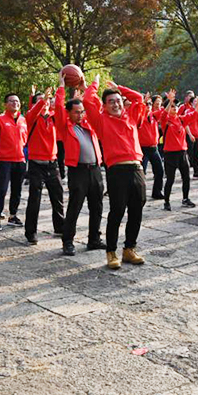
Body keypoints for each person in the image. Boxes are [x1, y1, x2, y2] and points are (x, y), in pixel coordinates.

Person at [83, 76, 148, 270]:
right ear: (104, 105)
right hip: (117, 170)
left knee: (137, 209)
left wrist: (119, 87)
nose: (116, 104)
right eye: (111, 101)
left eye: (118, 101)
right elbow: (87, 100)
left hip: (136, 167)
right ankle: (111, 251)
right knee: (117, 211)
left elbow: (138, 99)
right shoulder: (101, 120)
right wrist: (95, 83)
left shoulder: (131, 116)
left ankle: (129, 249)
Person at [55, 75, 105, 255]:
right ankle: (67, 241)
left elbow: (96, 104)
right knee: (75, 207)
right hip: (78, 171)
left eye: (82, 111)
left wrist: (89, 87)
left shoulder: (88, 124)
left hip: (95, 169)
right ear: (69, 113)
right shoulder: (64, 126)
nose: (80, 114)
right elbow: (59, 108)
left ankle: (94, 239)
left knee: (97, 207)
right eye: (76, 111)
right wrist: (61, 87)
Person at [22, 86, 65, 244]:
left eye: (47, 100)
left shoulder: (54, 117)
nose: (45, 102)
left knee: (58, 196)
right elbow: (33, 111)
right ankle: (31, 232)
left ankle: (60, 227)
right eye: (40, 101)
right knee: (35, 198)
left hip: (52, 163)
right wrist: (42, 100)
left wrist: (62, 89)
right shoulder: (31, 117)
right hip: (36, 164)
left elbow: (61, 108)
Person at [0, 93, 28, 230]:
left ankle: (13, 216)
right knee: (2, 190)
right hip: (4, 160)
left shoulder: (23, 120)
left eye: (17, 101)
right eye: (11, 101)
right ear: (5, 104)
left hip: (20, 160)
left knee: (17, 191)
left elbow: (25, 140)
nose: (15, 103)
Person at [160, 90, 198, 211]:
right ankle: (166, 201)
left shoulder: (181, 119)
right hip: (170, 153)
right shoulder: (166, 121)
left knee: (186, 177)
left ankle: (185, 198)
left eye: (175, 106)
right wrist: (169, 101)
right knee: (170, 179)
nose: (175, 108)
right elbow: (163, 115)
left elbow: (194, 115)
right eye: (172, 106)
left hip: (182, 152)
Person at [139, 94, 165, 200]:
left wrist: (170, 101)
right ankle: (140, 193)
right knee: (142, 173)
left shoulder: (153, 116)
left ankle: (157, 192)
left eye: (150, 104)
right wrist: (142, 103)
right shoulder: (139, 117)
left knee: (159, 170)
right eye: (147, 104)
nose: (149, 105)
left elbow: (164, 111)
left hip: (154, 148)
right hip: (143, 148)